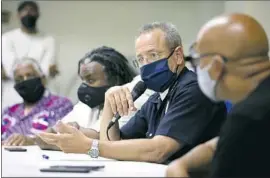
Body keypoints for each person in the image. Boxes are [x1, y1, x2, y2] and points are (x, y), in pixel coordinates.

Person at [38, 22, 227, 164]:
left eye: (153, 55)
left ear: (178, 56)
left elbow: (158, 150)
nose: (147, 65)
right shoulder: (156, 97)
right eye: (141, 59)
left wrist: (89, 148)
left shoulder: (192, 89)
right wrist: (109, 105)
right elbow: (114, 145)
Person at [166, 13, 270, 177]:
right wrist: (181, 163)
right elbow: (222, 143)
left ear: (216, 67)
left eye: (197, 61)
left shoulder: (249, 118)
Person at [35, 46, 153, 150]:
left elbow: (104, 139)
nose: (84, 86)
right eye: (83, 80)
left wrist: (70, 135)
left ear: (115, 80)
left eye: (91, 80)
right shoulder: (85, 106)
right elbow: (50, 134)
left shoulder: (131, 94)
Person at [1, 58, 73, 146]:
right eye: (19, 79)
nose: (25, 80)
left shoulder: (61, 105)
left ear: (42, 78)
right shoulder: (8, 112)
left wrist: (32, 140)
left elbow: (64, 137)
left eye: (30, 76)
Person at [2, 1, 59, 110]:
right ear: (18, 15)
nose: (28, 13)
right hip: (13, 95)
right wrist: (32, 71)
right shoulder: (7, 38)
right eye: (25, 11)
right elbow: (11, 69)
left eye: (32, 10)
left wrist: (39, 72)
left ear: (38, 14)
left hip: (41, 93)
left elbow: (45, 70)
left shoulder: (49, 40)